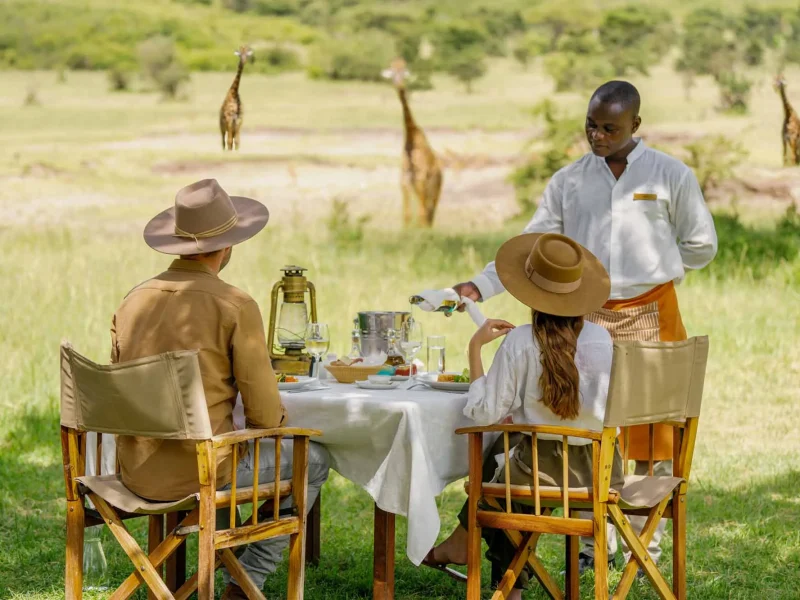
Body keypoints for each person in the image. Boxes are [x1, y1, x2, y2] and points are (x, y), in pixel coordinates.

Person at [451, 80, 717, 569]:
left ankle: (646, 548)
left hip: (650, 311)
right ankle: (596, 542)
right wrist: (480, 285)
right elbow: (533, 244)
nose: (598, 136)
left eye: (610, 128)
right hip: (583, 316)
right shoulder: (569, 180)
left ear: (636, 125)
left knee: (649, 430)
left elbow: (702, 244)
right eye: (591, 126)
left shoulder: (669, 174)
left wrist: (655, 264)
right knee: (578, 419)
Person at [111, 179, 330, 600]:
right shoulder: (234, 304)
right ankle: (244, 583)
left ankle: (223, 569)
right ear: (228, 246)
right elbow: (266, 417)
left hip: (135, 471)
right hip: (203, 473)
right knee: (314, 459)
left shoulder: (132, 300)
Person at [424, 232, 624, 598]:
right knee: (504, 451)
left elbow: (484, 412)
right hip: (600, 471)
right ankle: (469, 551)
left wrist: (475, 348)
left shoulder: (520, 342)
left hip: (541, 474)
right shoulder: (602, 340)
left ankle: (500, 578)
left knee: (497, 470)